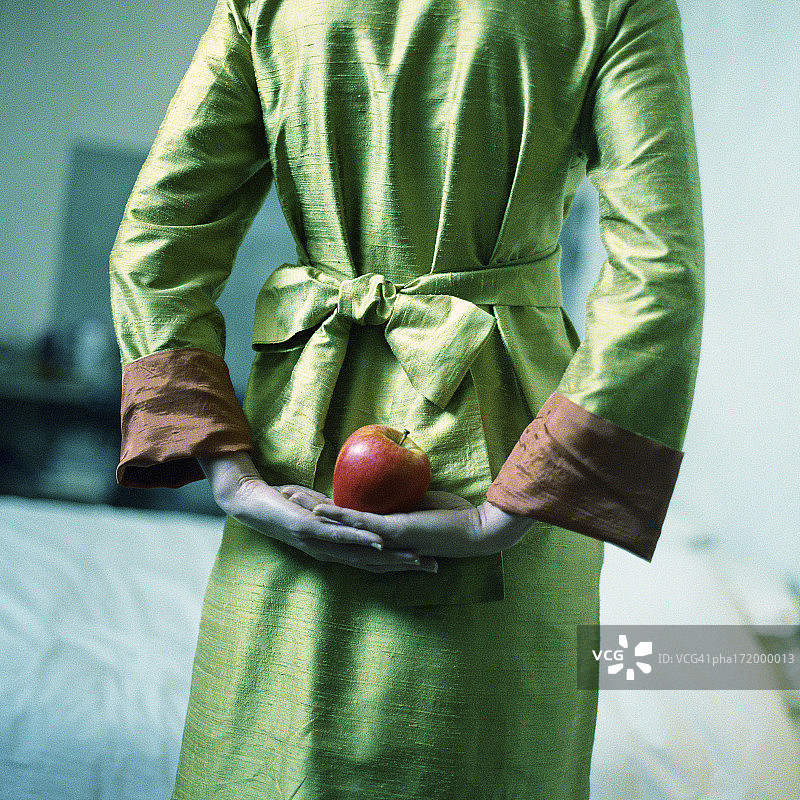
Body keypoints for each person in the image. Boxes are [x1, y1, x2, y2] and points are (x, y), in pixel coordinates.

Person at [109, 0, 704, 796]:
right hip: (513, 453)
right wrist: (509, 512)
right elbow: (661, 277)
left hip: (298, 455)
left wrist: (234, 477)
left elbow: (157, 241)